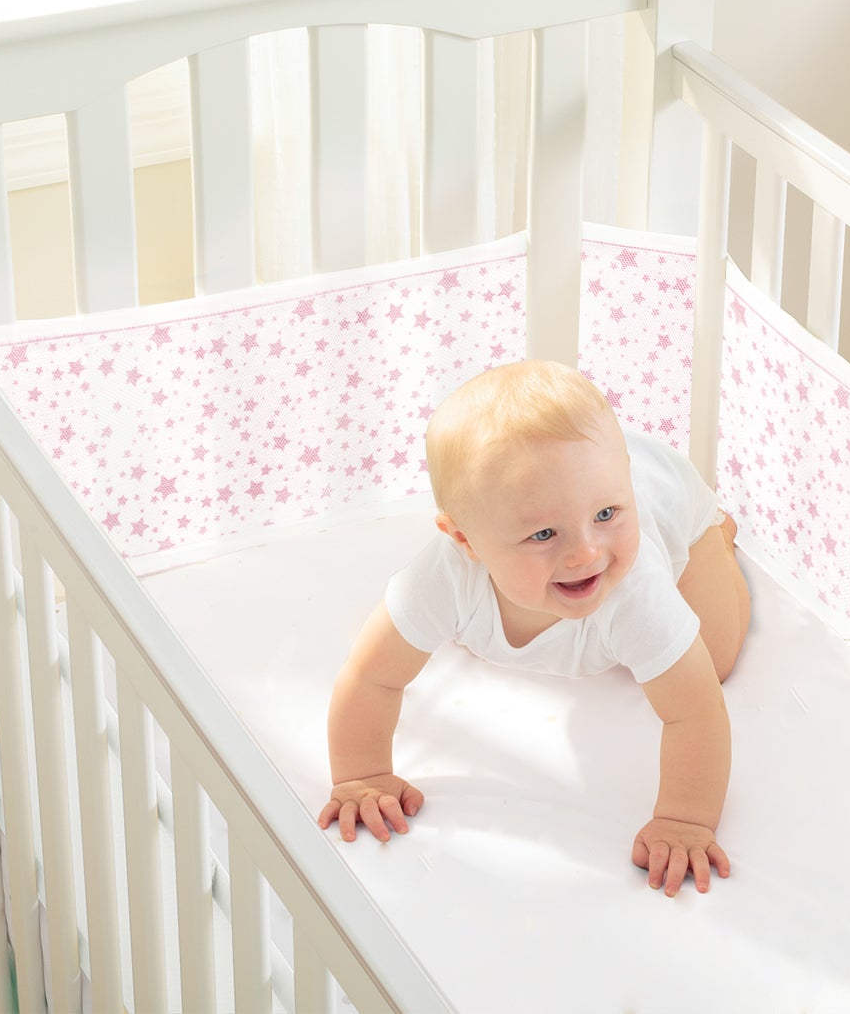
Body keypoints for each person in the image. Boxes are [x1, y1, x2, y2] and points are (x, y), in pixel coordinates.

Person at [319, 359, 752, 897]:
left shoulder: (635, 590)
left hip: (674, 501)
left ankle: (719, 538)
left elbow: (695, 710)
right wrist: (362, 774)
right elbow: (372, 677)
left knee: (716, 660)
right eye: (544, 533)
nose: (586, 554)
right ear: (466, 542)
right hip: (581, 488)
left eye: (608, 515)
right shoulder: (443, 580)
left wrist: (685, 820)